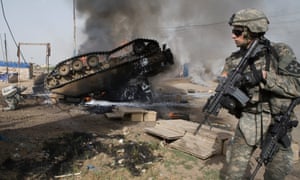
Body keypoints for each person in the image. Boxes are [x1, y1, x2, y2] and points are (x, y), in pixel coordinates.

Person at [220, 8, 300, 179]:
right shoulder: (234, 60)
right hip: (249, 122)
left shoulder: (280, 52)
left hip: (278, 122)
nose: (233, 36)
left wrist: (264, 77)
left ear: (251, 31)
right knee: (233, 174)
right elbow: (225, 84)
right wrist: (227, 95)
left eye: (237, 32)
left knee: (276, 173)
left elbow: (297, 85)